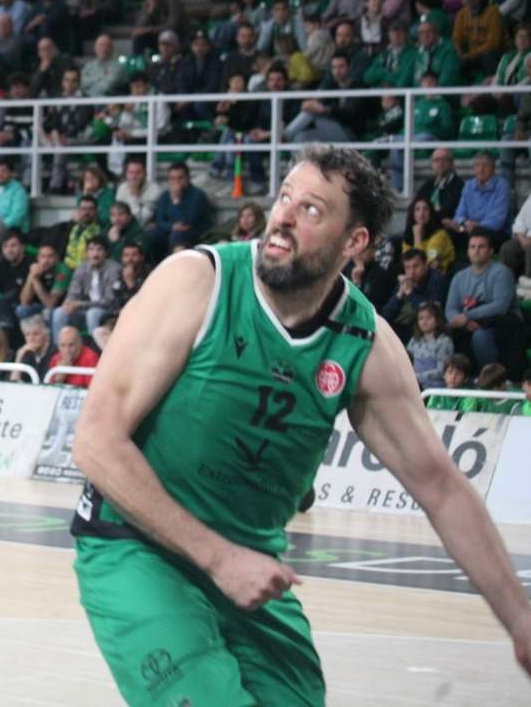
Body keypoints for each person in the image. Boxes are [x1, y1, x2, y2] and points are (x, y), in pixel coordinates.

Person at [71, 146, 531, 706]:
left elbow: (442, 489)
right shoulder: (197, 282)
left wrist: (520, 621)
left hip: (250, 565)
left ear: (355, 242)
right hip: (135, 545)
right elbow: (95, 441)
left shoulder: (367, 343)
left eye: (311, 209)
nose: (283, 217)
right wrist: (219, 559)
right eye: (285, 197)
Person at [446, 232, 520, 374]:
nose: (476, 250)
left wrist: (468, 316)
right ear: (467, 251)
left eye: (481, 246)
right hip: (468, 324)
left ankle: (490, 377)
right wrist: (463, 322)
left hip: (503, 323)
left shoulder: (502, 273)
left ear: (491, 251)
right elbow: (450, 309)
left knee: (481, 336)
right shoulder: (459, 277)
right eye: (472, 247)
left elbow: (500, 306)